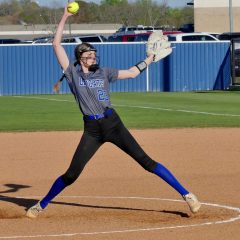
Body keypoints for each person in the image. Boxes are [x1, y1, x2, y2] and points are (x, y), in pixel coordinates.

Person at [26, 6, 201, 218]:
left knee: (146, 162)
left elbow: (131, 73)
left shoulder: (104, 72)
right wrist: (65, 16)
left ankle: (187, 195)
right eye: (89, 55)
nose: (93, 57)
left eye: (94, 55)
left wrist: (150, 58)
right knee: (72, 174)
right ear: (80, 58)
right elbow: (56, 44)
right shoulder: (72, 74)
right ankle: (41, 205)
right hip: (92, 130)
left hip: (113, 124)